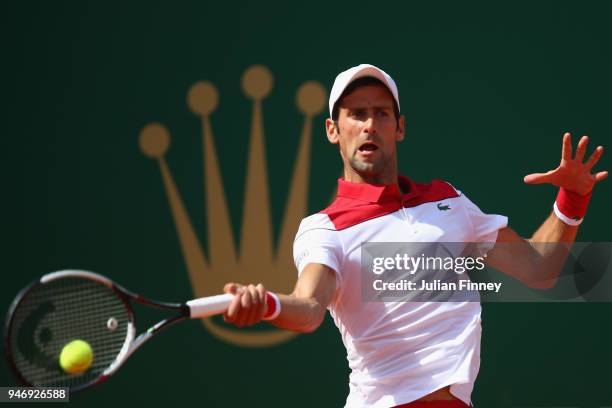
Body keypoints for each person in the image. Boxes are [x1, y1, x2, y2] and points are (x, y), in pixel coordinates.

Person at [222, 64, 608, 407]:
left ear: (399, 127)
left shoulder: (448, 201)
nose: (369, 124)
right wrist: (268, 304)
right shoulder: (325, 228)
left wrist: (572, 198)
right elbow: (307, 309)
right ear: (333, 131)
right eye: (356, 114)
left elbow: (539, 268)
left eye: (381, 114)